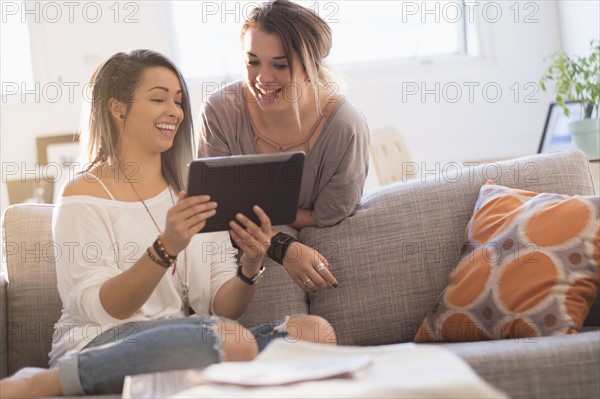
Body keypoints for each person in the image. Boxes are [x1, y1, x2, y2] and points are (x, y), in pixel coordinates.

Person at [0, 49, 336, 398]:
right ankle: (46, 381)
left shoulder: (195, 193)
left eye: (178, 101)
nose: (174, 112)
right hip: (103, 342)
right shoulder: (82, 193)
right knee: (229, 341)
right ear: (117, 107)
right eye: (158, 99)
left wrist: (250, 265)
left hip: (187, 338)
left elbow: (224, 307)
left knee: (314, 333)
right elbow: (102, 308)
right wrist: (166, 247)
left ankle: (203, 377)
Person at [199, 0, 370, 292]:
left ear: (310, 67)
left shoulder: (345, 127)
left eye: (280, 65)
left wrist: (248, 213)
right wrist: (282, 245)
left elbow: (329, 215)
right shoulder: (220, 111)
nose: (263, 78)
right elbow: (212, 205)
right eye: (253, 62)